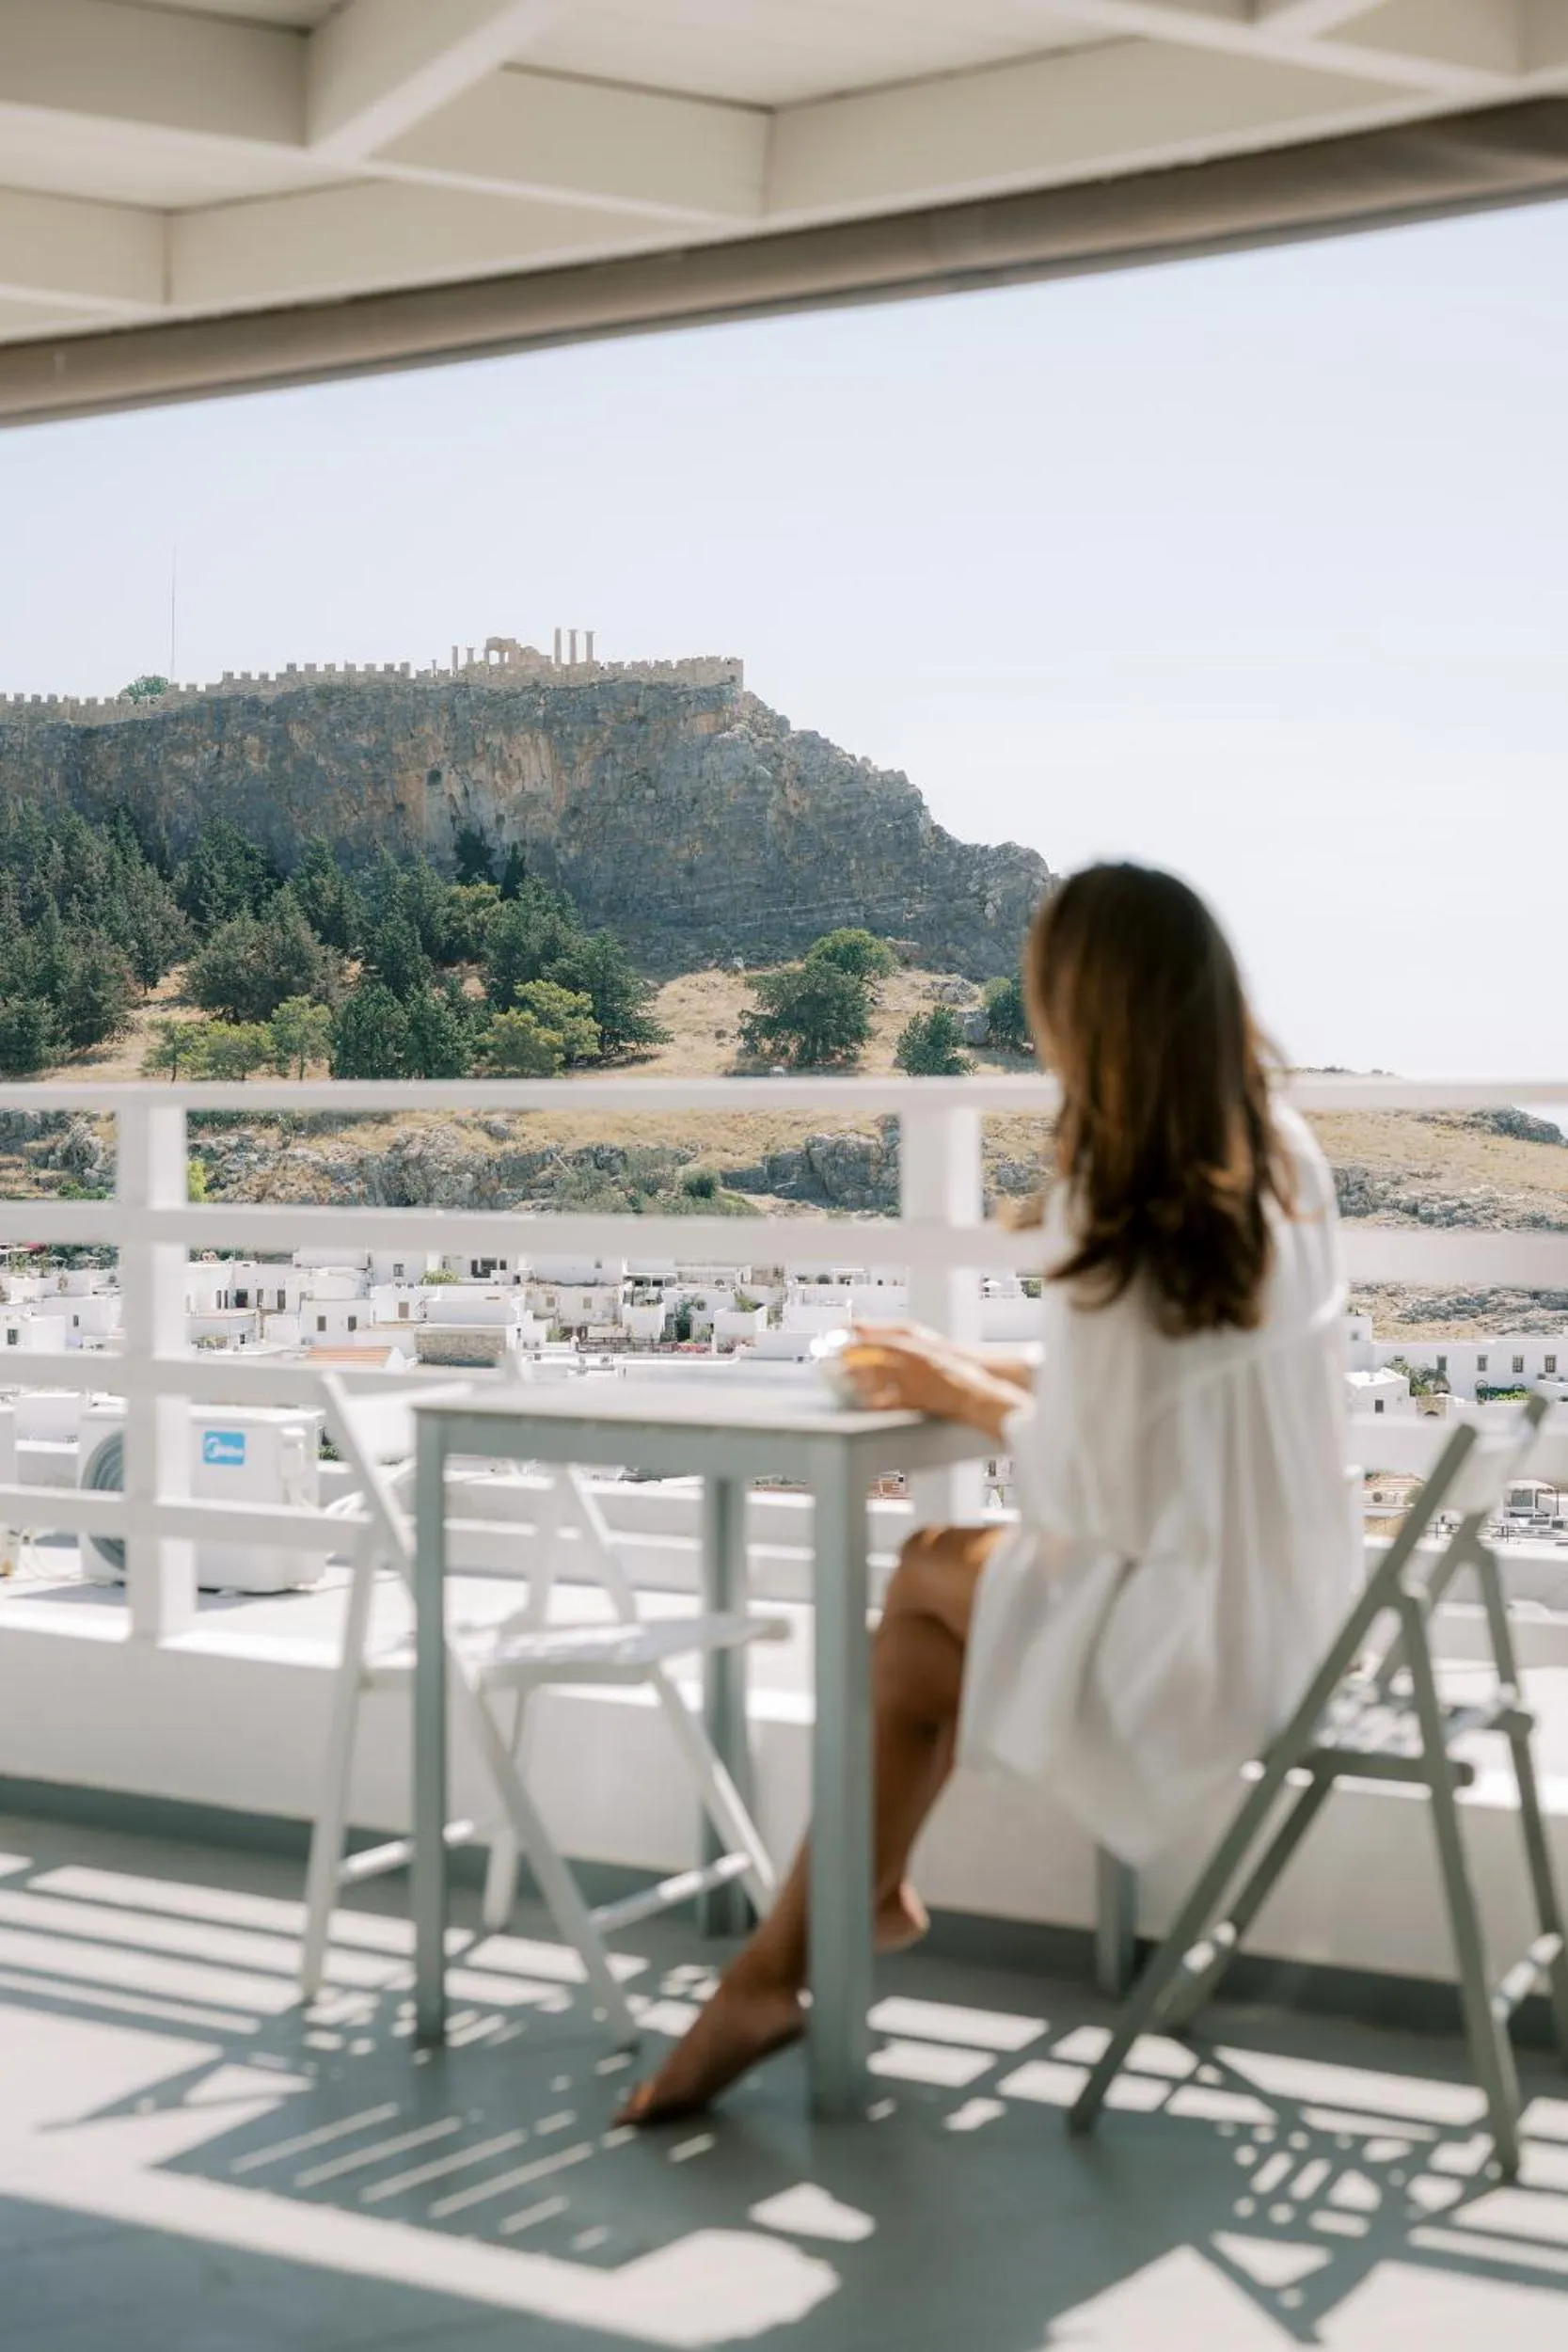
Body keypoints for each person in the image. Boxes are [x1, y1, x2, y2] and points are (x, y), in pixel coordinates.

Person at [621, 861, 1358, 2125]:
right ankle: (798, 1951)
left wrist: (956, 1393)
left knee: (922, 1572)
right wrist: (958, 1367)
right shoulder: (1274, 1158)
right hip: (1297, 1608)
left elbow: (1100, 1484)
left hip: (1197, 1642)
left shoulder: (1126, 1195)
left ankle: (799, 1945)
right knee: (914, 1653)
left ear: (1084, 1008)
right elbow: (1166, 1395)